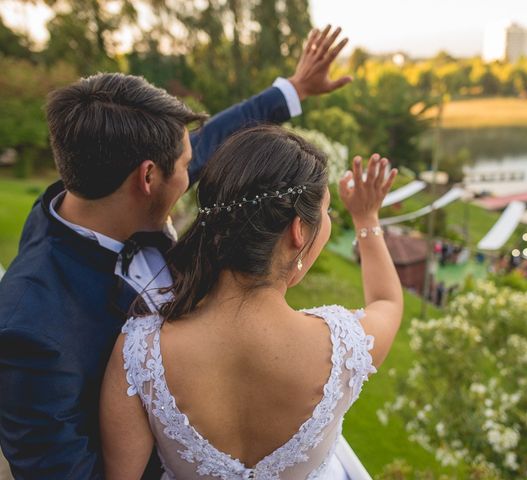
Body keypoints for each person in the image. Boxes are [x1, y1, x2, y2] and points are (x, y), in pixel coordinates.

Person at [0, 26, 350, 480]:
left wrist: (292, 90)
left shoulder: (100, 186)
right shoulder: (31, 330)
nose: (194, 171)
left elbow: (209, 140)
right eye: (186, 167)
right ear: (147, 179)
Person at [100, 126, 403, 479]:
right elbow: (387, 301)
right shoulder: (344, 347)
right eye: (326, 211)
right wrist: (366, 218)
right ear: (298, 230)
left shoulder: (139, 352)